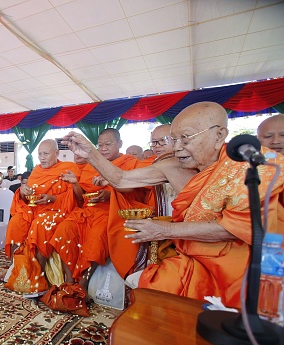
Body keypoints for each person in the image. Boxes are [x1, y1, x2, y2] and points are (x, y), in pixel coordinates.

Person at [62, 101, 284, 308]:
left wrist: (164, 230)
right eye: (174, 139)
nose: (177, 147)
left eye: (185, 138)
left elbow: (236, 228)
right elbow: (121, 179)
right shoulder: (172, 165)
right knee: (154, 287)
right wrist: (90, 153)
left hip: (242, 255)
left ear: (219, 135)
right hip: (193, 253)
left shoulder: (247, 167)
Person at [49, 129, 153, 294]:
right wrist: (75, 183)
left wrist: (110, 194)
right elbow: (81, 197)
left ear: (119, 144)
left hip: (112, 212)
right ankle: (69, 280)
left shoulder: (130, 163)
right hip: (87, 211)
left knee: (97, 237)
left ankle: (83, 282)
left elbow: (139, 193)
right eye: (100, 145)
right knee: (64, 230)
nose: (103, 148)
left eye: (108, 144)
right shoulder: (92, 165)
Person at [4, 139, 81, 294]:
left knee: (41, 224)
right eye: (40, 154)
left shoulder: (68, 169)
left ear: (57, 153)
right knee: (16, 222)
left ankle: (38, 276)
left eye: (46, 153)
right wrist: (24, 192)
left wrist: (53, 199)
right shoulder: (37, 171)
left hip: (59, 212)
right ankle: (15, 269)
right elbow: (29, 197)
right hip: (36, 210)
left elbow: (77, 198)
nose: (42, 157)